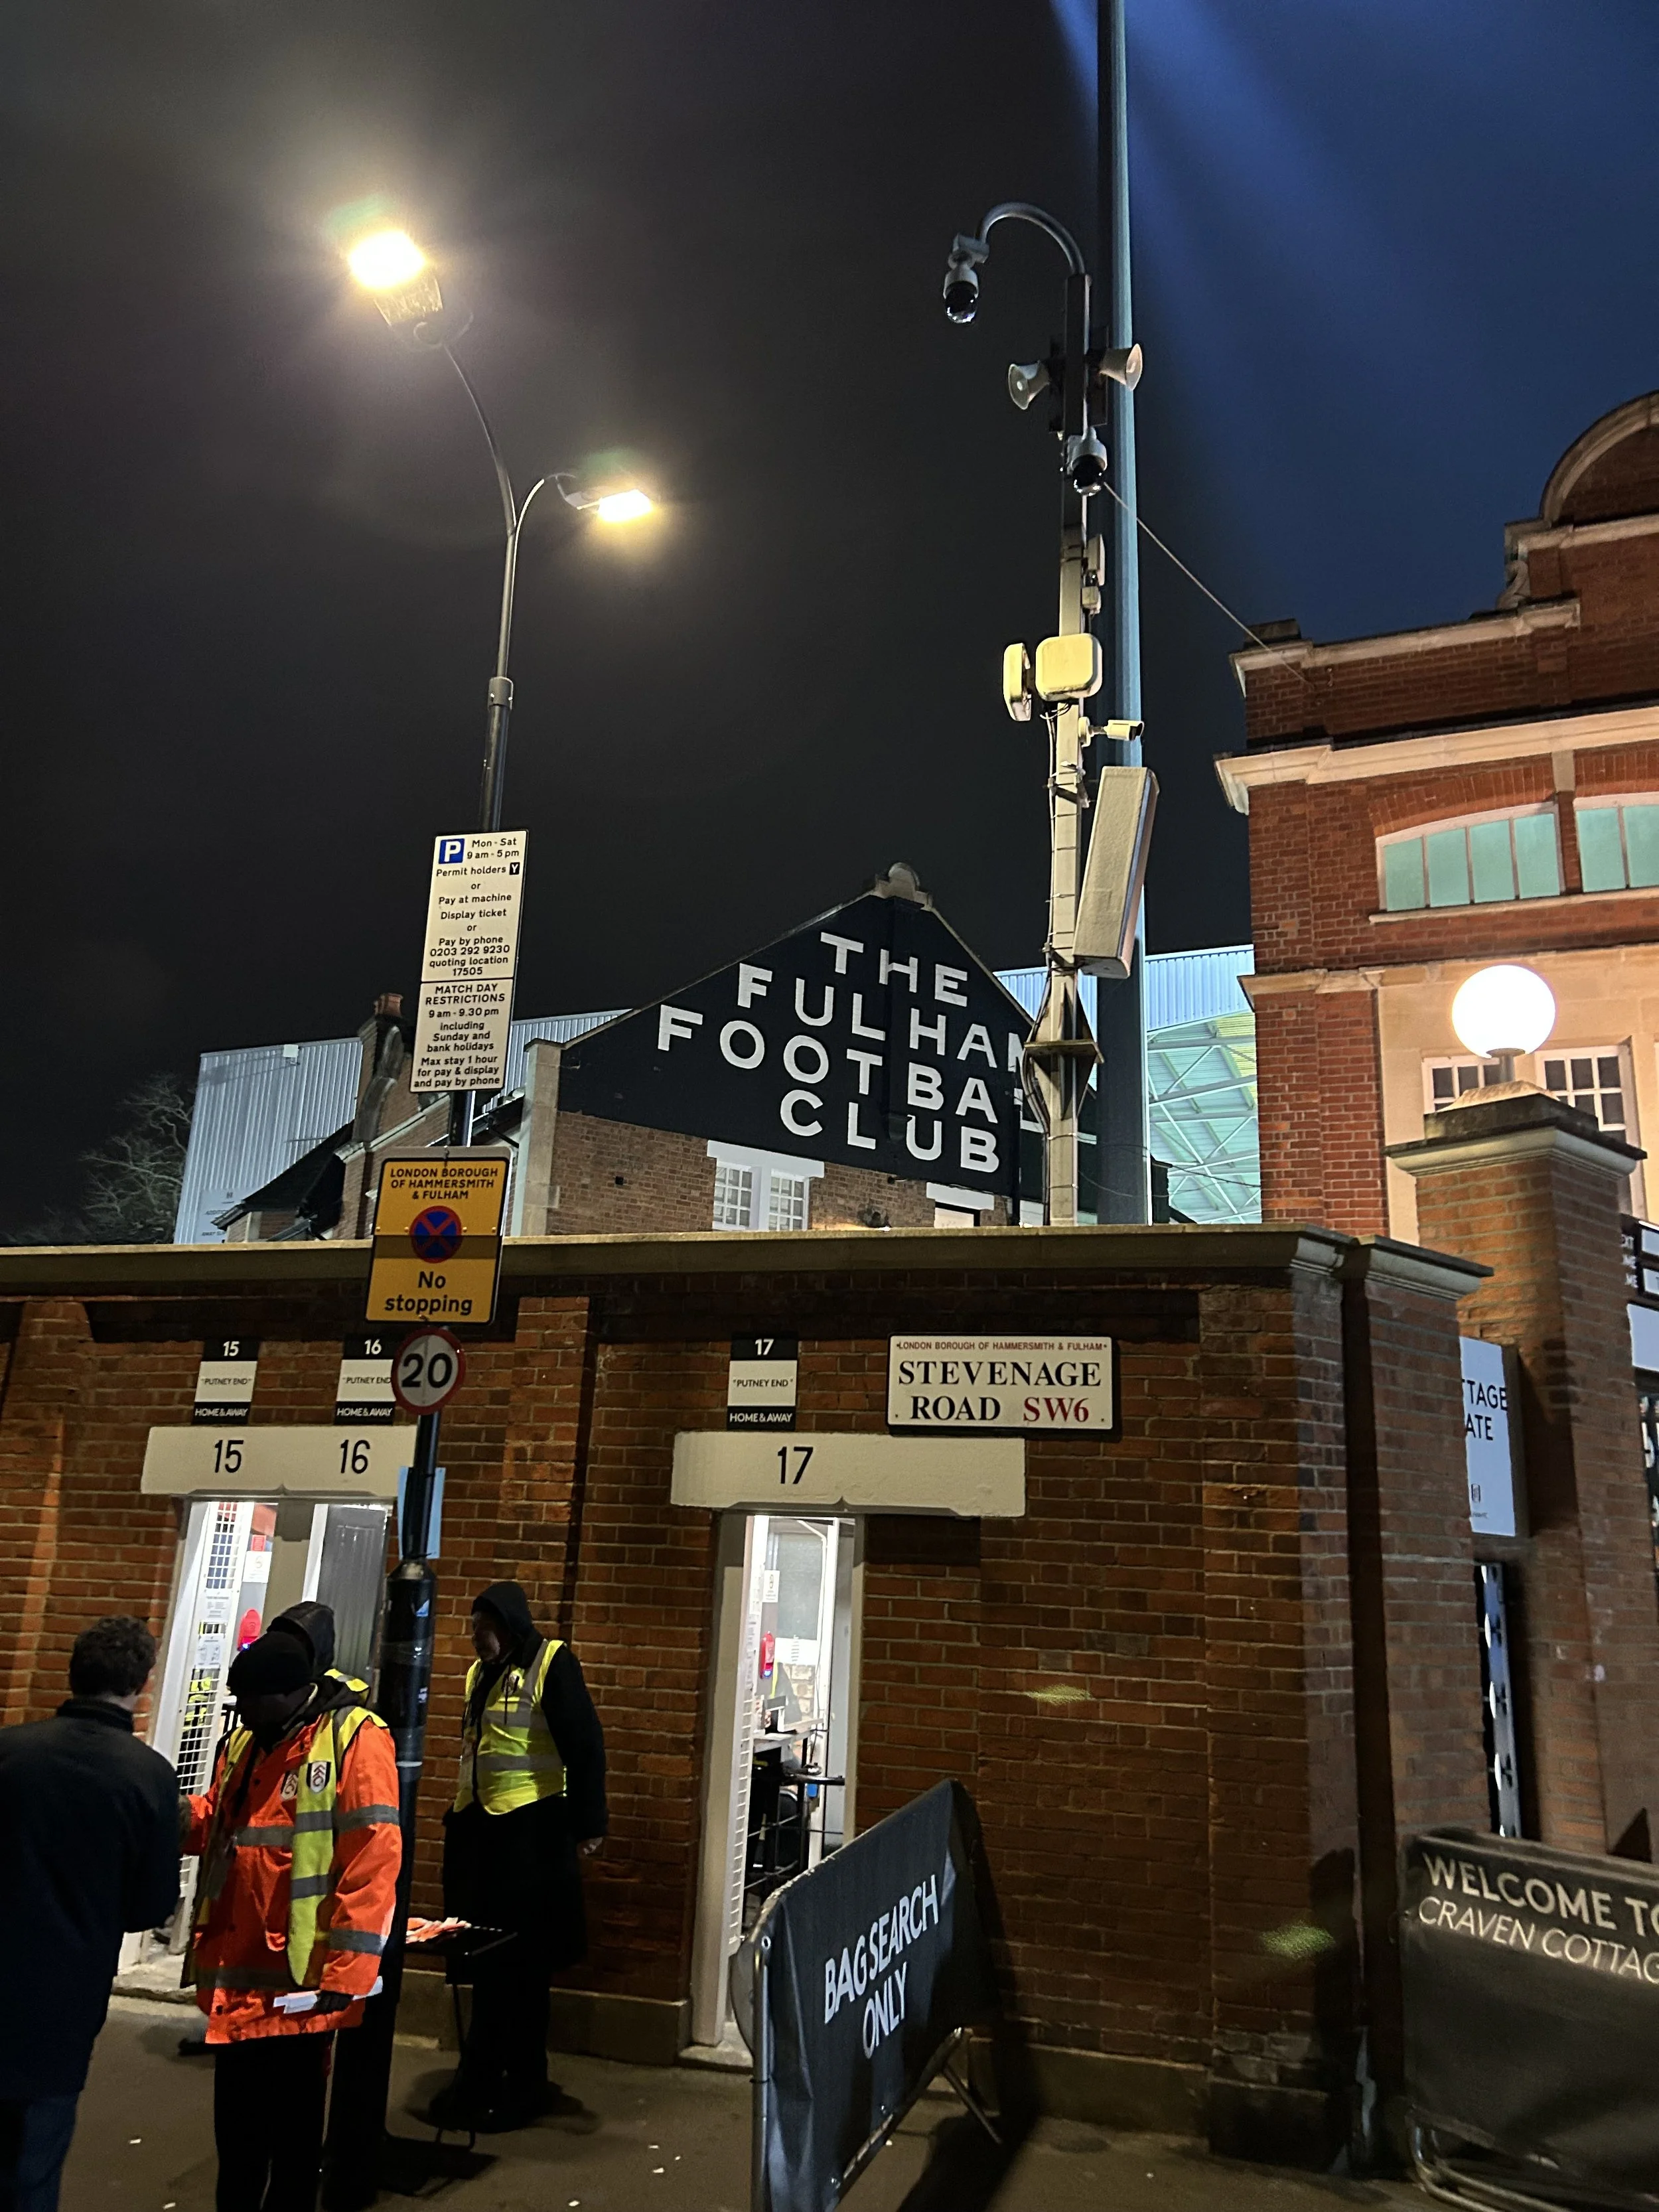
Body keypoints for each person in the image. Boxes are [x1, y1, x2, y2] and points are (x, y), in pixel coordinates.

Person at [182, 1601, 400, 2212]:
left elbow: (373, 1856)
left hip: (299, 1983)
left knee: (294, 2150)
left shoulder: (354, 1738)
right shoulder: (250, 1740)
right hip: (241, 1974)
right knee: (240, 2147)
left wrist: (349, 1972)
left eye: (253, 1702)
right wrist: (173, 1818)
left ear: (290, 1692)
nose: (243, 1714)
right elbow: (224, 1825)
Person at [0, 1616, 179, 2212]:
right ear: (143, 1684)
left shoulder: (11, 1751)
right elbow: (150, 1906)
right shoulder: (149, 1776)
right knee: (35, 2158)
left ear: (72, 1670)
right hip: (67, 1991)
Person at [432, 1582, 607, 2132]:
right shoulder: (479, 1673)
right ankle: (483, 2076)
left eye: (485, 1626)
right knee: (487, 1966)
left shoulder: (550, 1663)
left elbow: (585, 1745)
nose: (476, 1637)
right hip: (484, 1839)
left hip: (531, 1840)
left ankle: (520, 2082)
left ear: (509, 1624)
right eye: (472, 1625)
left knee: (523, 1972)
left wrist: (589, 1825)